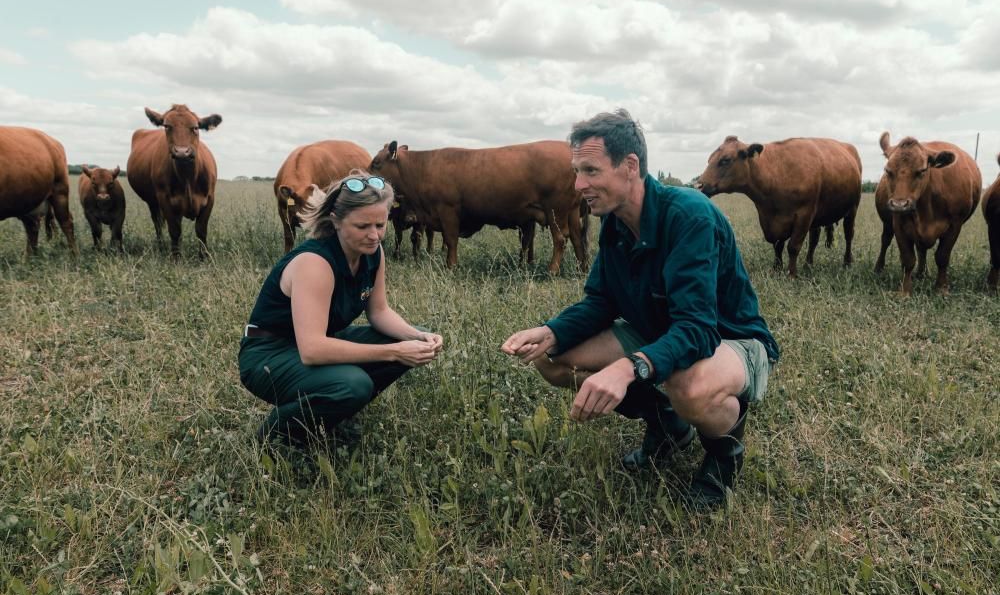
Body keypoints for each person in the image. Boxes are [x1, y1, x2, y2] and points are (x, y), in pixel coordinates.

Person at [502, 110, 779, 508]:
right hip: (660, 330)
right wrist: (552, 331)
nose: (578, 185)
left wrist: (627, 368)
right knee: (552, 358)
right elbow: (601, 301)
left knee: (688, 386)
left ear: (630, 166)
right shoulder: (615, 221)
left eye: (591, 171)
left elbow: (698, 329)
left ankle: (723, 457)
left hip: (728, 339)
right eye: (577, 172)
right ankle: (669, 426)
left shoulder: (689, 215)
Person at [239, 170, 443, 446]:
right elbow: (312, 350)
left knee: (407, 339)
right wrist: (395, 351)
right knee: (354, 383)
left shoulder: (373, 253)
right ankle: (275, 437)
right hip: (270, 353)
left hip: (319, 341)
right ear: (335, 220)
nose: (374, 235)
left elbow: (379, 312)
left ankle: (334, 411)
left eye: (380, 224)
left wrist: (417, 337)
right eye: (362, 226)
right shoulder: (315, 263)